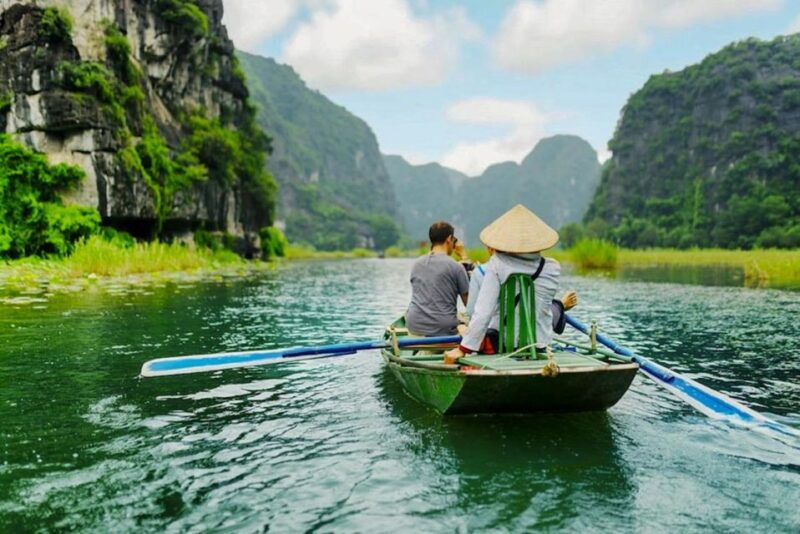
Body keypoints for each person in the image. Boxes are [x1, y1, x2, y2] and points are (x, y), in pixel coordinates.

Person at [444, 205, 564, 364]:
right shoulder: (552, 268)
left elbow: (483, 312)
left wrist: (463, 349)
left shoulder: (496, 265)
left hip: (503, 345)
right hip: (541, 345)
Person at [405, 221, 469, 336]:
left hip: (414, 326)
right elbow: (469, 304)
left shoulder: (417, 264)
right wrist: (464, 256)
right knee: (465, 321)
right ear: (449, 239)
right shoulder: (456, 266)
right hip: (443, 329)